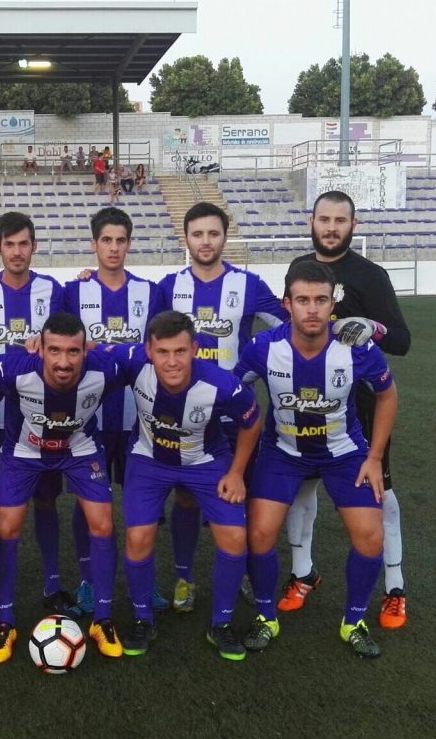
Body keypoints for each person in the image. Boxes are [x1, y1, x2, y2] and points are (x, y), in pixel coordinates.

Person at [237, 260, 398, 658]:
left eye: (321, 300)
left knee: (370, 536)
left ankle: (353, 621)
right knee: (258, 534)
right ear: (287, 304)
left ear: (332, 304)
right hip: (283, 452)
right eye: (303, 300)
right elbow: (234, 388)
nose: (312, 309)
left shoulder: (356, 348)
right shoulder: (263, 347)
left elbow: (387, 395)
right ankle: (265, 616)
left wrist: (375, 457)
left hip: (344, 453)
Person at [280, 190, 413, 629]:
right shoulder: (300, 269)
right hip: (305, 403)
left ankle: (395, 588)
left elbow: (402, 341)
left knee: (380, 493)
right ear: (312, 222)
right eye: (324, 219)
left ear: (353, 225)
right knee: (302, 490)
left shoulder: (370, 275)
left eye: (340, 220)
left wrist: (373, 327)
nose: (331, 228)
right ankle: (303, 574)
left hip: (361, 409)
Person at [0, 312, 125, 663]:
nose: (63, 362)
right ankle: (5, 621)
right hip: (24, 453)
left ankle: (103, 619)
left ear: (85, 350)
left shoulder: (106, 369)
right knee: (6, 528)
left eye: (73, 351)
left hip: (80, 450)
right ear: (40, 350)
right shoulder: (14, 369)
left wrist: (101, 345)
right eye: (54, 350)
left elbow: (145, 355)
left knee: (103, 525)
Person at [101, 311, 262, 659]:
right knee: (137, 537)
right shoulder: (133, 360)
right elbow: (88, 350)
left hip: (206, 462)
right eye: (162, 352)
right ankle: (143, 618)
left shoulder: (222, 384)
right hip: (148, 460)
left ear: (195, 350)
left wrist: (236, 473)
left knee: (235, 538)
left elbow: (252, 421)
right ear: (148, 350)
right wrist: (40, 344)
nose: (171, 362)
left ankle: (221, 623)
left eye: (180, 351)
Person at [157, 202, 287, 613]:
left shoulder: (249, 284)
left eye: (213, 233)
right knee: (186, 499)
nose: (205, 241)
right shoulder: (169, 287)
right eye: (198, 234)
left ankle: (242, 570)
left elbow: (287, 329)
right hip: (186, 418)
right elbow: (150, 343)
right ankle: (184, 578)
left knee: (237, 495)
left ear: (224, 237)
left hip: (235, 415)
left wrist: (254, 363)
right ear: (186, 238)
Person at [0, 211, 71, 622]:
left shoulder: (53, 290)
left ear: (34, 246)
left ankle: (53, 584)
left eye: (24, 243)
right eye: (10, 244)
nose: (17, 251)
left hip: (46, 418)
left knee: (46, 501)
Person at [64, 207, 163, 614]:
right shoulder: (73, 292)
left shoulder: (149, 292)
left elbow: (158, 350)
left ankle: (146, 582)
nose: (114, 248)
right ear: (94, 244)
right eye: (106, 240)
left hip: (139, 420)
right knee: (87, 505)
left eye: (121, 240)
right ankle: (88, 581)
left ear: (129, 244)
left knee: (144, 504)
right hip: (90, 420)